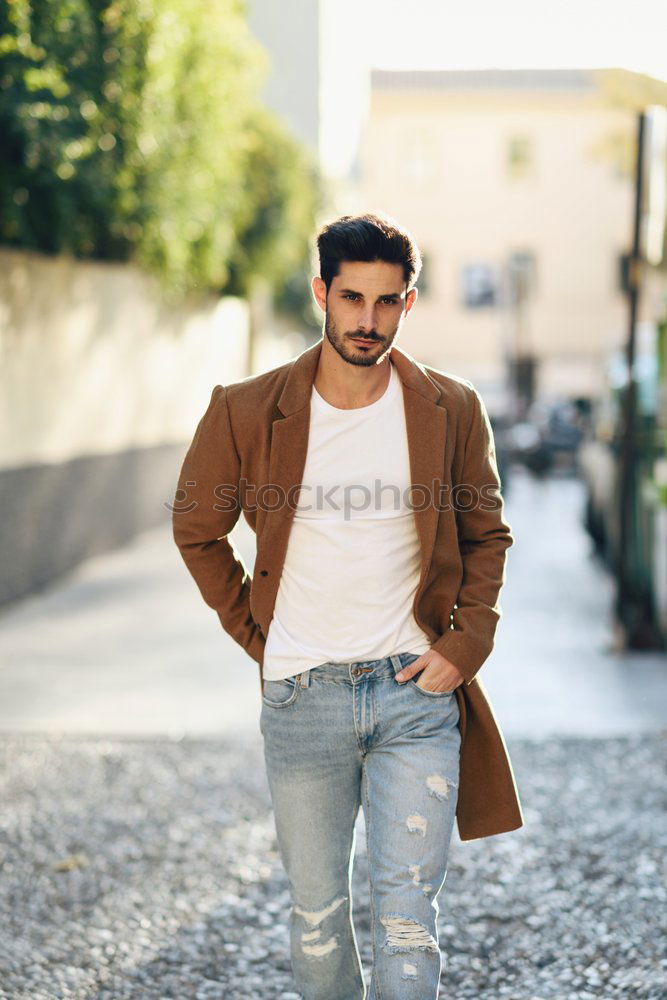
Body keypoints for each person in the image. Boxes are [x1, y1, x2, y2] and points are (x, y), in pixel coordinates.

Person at [172, 212, 524, 999]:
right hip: (303, 697)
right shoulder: (245, 409)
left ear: (409, 302)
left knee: (407, 918)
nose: (368, 321)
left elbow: (485, 535)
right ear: (320, 294)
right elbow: (197, 529)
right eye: (352, 299)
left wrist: (463, 646)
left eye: (388, 302)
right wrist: (258, 638)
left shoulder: (451, 408)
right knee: (317, 916)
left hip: (414, 694)